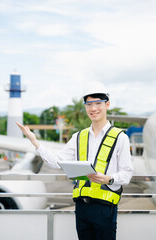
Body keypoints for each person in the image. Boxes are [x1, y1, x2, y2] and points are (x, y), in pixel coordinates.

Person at [16, 81, 133, 240]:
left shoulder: (121, 138)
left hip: (105, 207)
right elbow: (57, 162)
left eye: (98, 103)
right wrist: (35, 141)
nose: (93, 108)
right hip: (82, 208)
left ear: (108, 105)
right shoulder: (78, 137)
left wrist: (109, 178)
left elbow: (127, 173)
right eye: (88, 104)